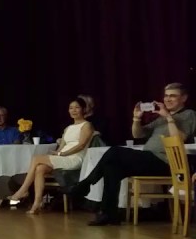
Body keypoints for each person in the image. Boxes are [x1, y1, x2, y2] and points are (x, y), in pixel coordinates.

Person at [69, 83, 196, 226]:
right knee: (112, 168)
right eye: (166, 96)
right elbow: (138, 134)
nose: (168, 99)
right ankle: (109, 214)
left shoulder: (189, 115)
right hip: (149, 159)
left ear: (184, 98)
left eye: (173, 96)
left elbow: (179, 139)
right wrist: (136, 119)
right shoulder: (161, 118)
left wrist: (168, 118)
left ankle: (85, 184)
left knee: (115, 151)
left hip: (167, 162)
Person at [5, 97, 94, 214]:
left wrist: (62, 154)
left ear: (83, 109)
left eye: (77, 107)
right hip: (63, 156)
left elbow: (81, 145)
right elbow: (61, 146)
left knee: (37, 158)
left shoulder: (86, 125)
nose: (74, 110)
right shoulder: (68, 128)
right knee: (40, 167)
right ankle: (36, 204)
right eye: (71, 108)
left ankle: (23, 190)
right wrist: (56, 154)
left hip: (75, 158)